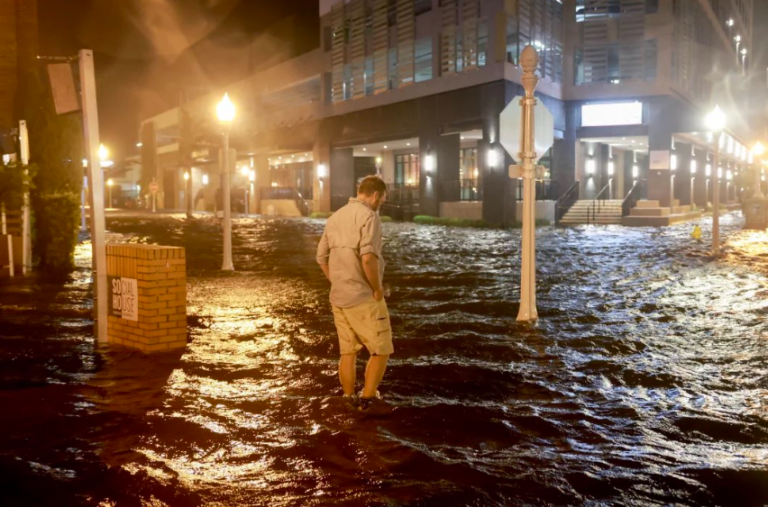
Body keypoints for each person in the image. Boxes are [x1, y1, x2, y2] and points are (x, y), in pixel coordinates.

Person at [316, 175, 392, 411]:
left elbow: (321, 258)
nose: (381, 204)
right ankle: (368, 400)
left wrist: (337, 281)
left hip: (339, 296)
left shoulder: (335, 217)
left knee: (348, 351)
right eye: (383, 199)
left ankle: (348, 398)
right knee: (381, 349)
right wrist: (377, 289)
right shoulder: (370, 216)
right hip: (363, 297)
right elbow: (368, 258)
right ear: (376, 195)